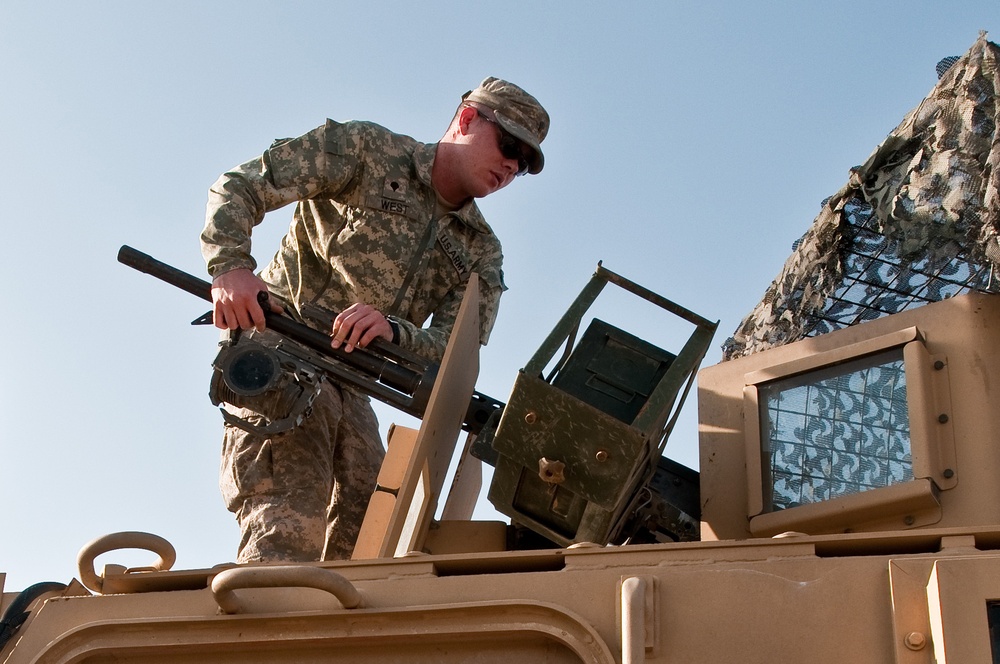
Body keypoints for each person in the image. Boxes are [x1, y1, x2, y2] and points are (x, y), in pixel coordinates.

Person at [200, 77, 550, 563]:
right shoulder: (366, 151)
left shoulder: (480, 250)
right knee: (288, 531)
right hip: (286, 350)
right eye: (509, 145)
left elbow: (455, 351)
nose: (512, 166)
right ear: (468, 119)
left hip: (355, 383)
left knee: (367, 543)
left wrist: (394, 331)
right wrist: (231, 267)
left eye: (524, 163)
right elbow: (241, 185)